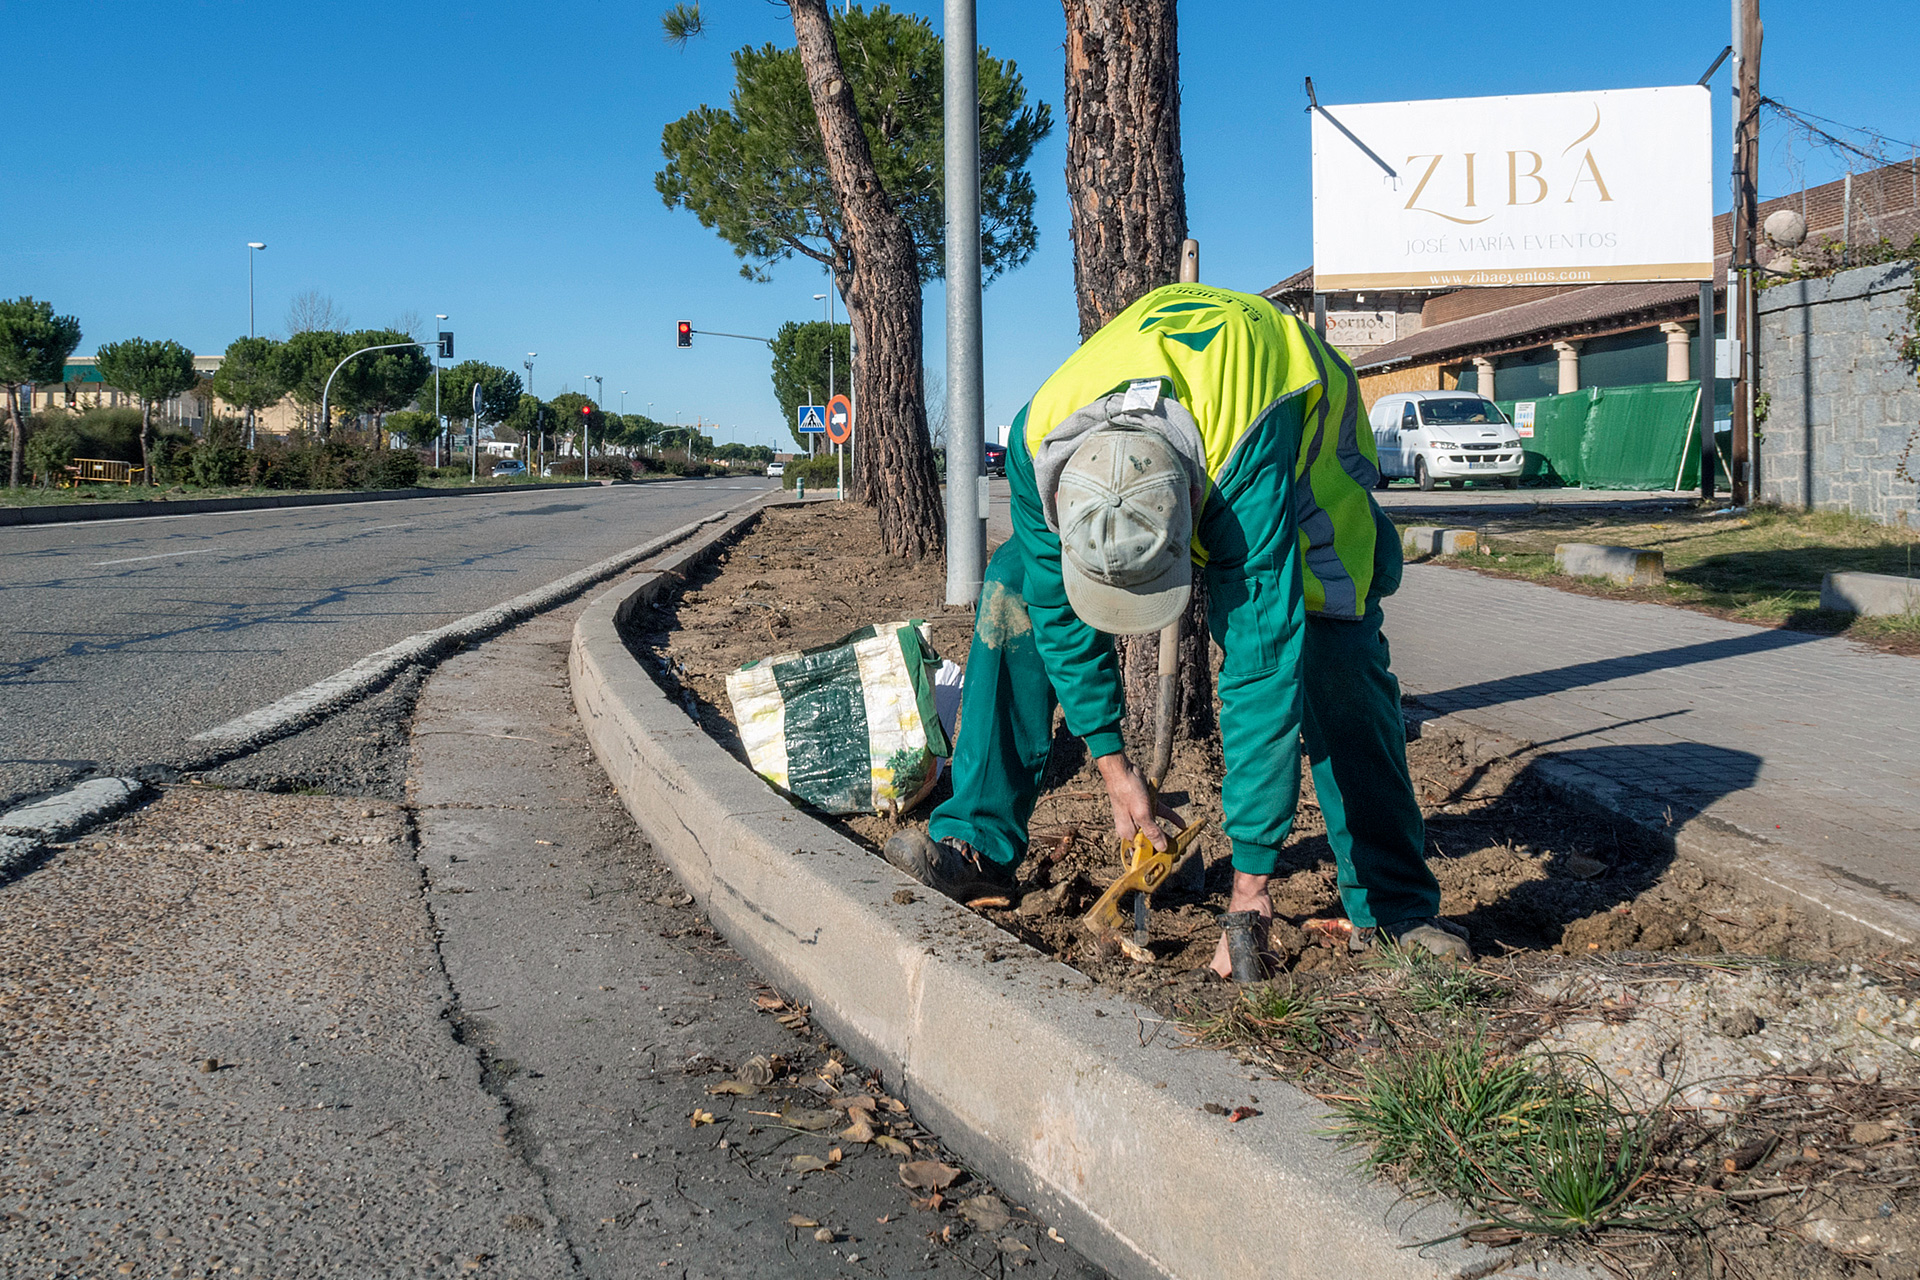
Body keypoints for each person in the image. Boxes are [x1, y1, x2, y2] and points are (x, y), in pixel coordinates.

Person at [884, 283, 1471, 974]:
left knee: (1329, 653)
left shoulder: (1246, 453)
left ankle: (1393, 906)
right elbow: (1058, 617)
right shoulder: (1038, 437)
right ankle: (977, 841)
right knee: (1014, 584)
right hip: (1192, 441)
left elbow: (1260, 670)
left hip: (1302, 488)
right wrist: (1113, 766)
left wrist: (1248, 885)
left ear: (1191, 508)